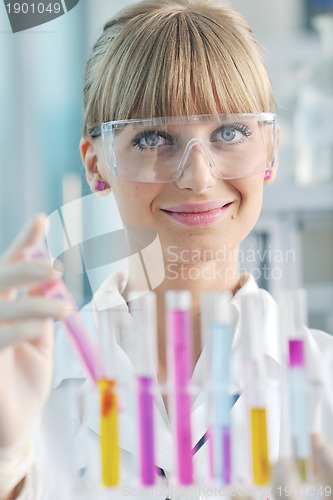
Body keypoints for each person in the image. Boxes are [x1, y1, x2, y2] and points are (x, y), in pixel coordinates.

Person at [1, 1, 333, 499]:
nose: (198, 177)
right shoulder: (28, 379)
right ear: (97, 165)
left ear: (271, 152)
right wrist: (6, 463)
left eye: (230, 132)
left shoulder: (323, 379)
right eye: (154, 137)